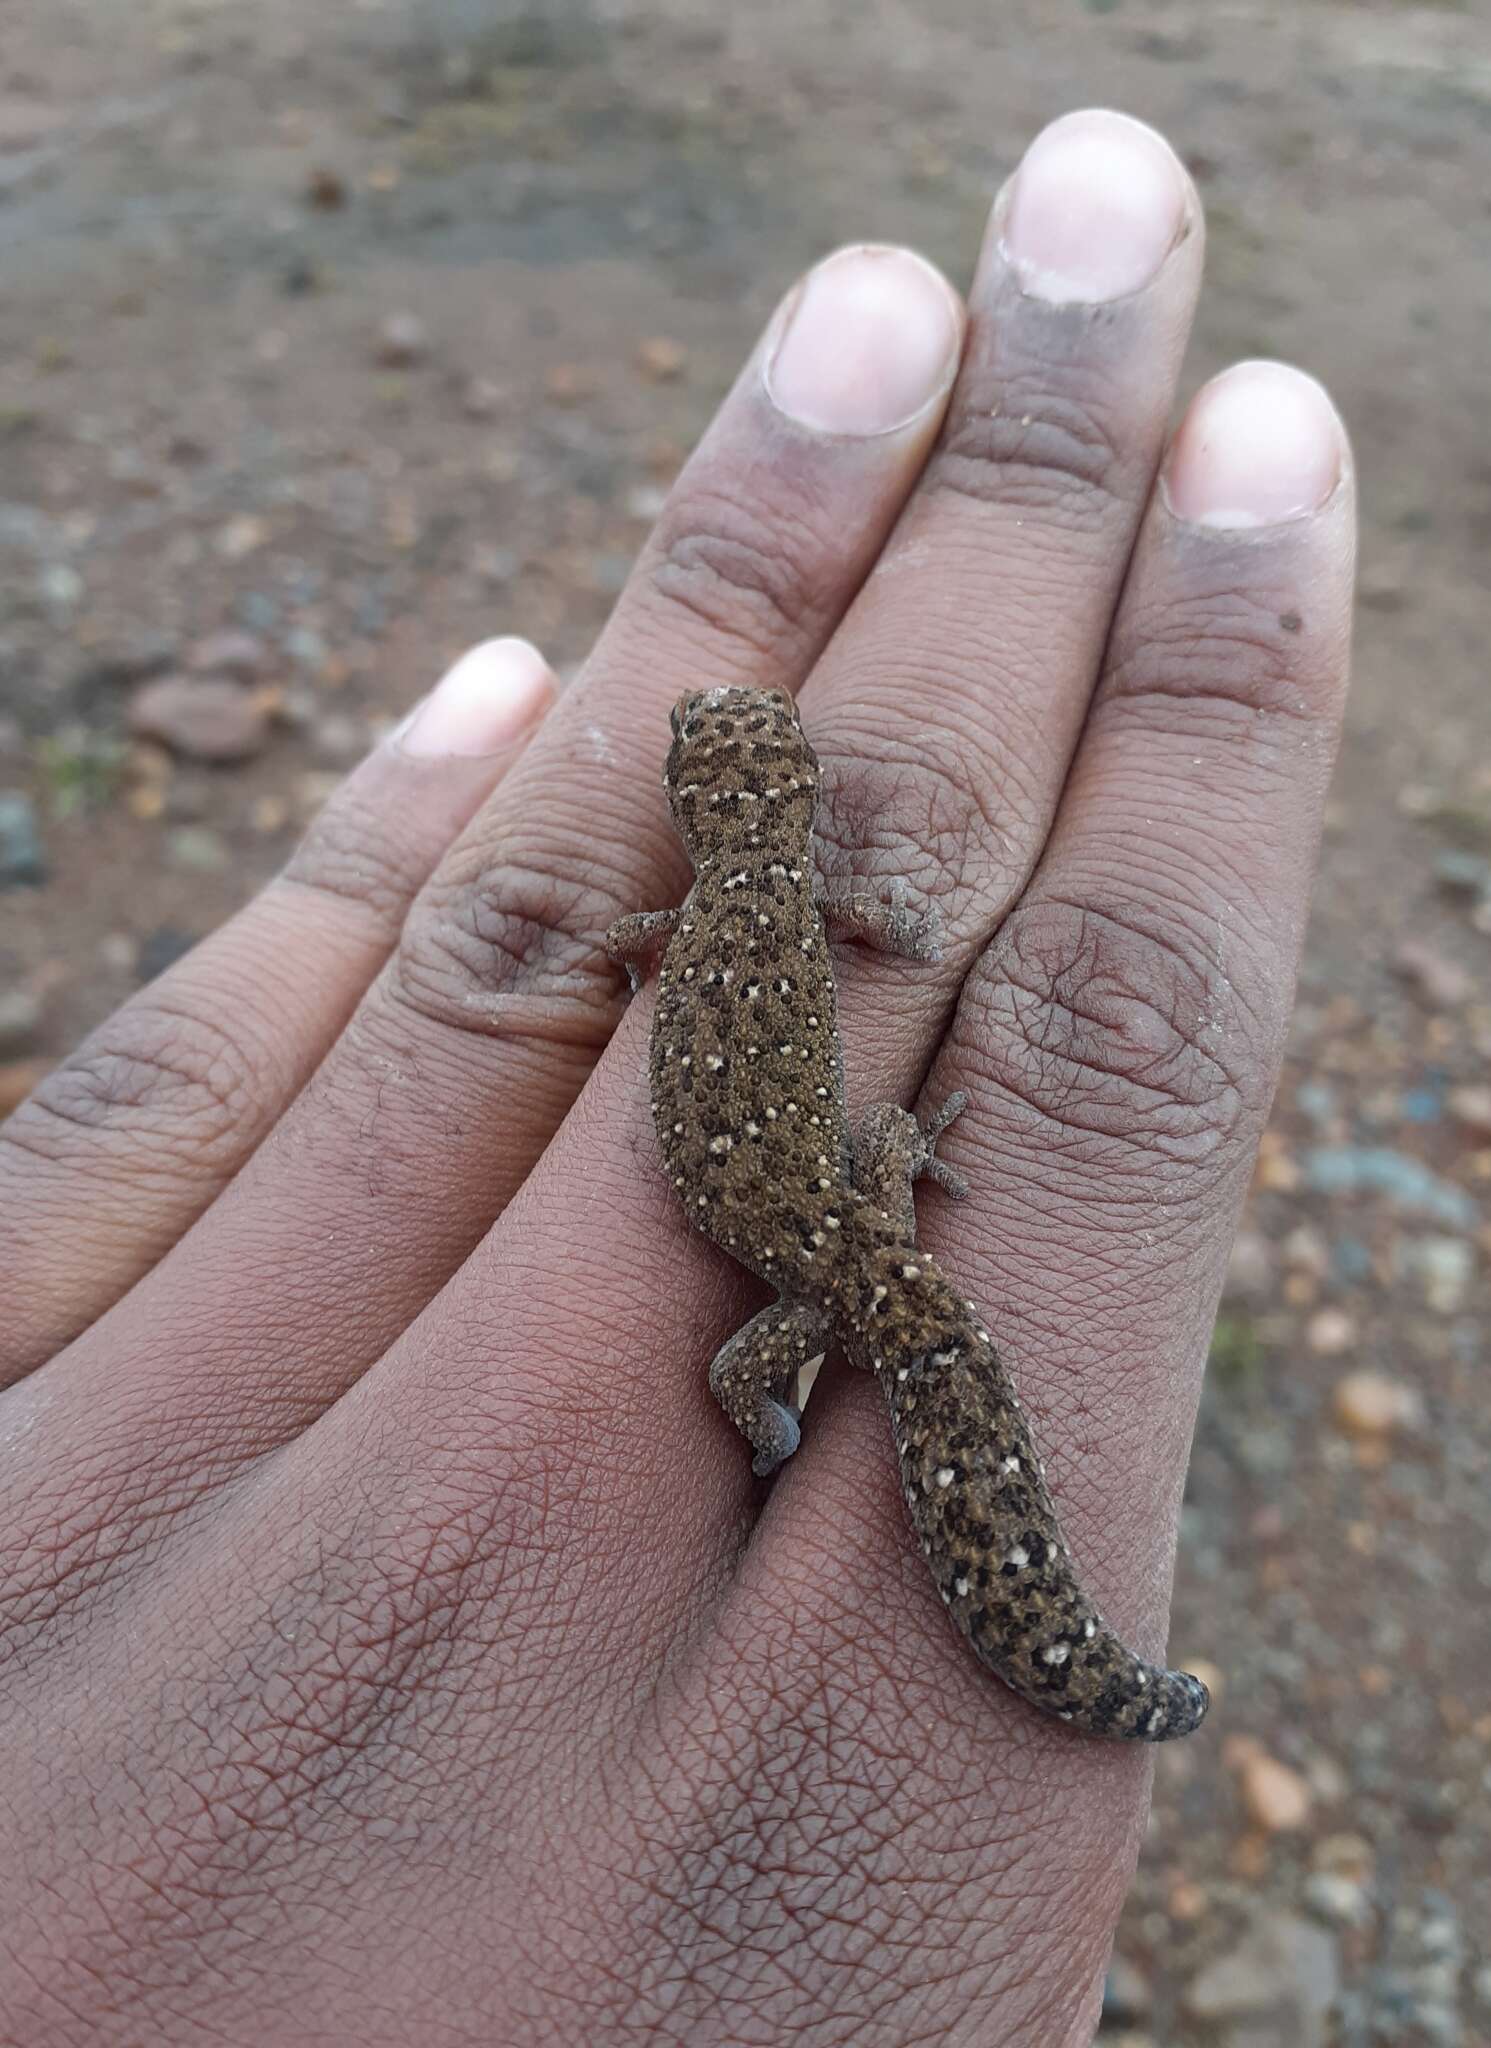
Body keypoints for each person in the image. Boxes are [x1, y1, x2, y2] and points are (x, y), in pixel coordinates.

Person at [0, 109, 1353, 2042]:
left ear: (706, 814)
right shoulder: (797, 914)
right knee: (820, 1334)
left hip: (830, 1228)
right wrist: (895, 1160)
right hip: (840, 1205)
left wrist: (785, 1342)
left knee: (759, 1370)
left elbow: (636, 960)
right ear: (784, 809)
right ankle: (994, 1577)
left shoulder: (689, 928)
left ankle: (867, 1486)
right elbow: (782, 989)